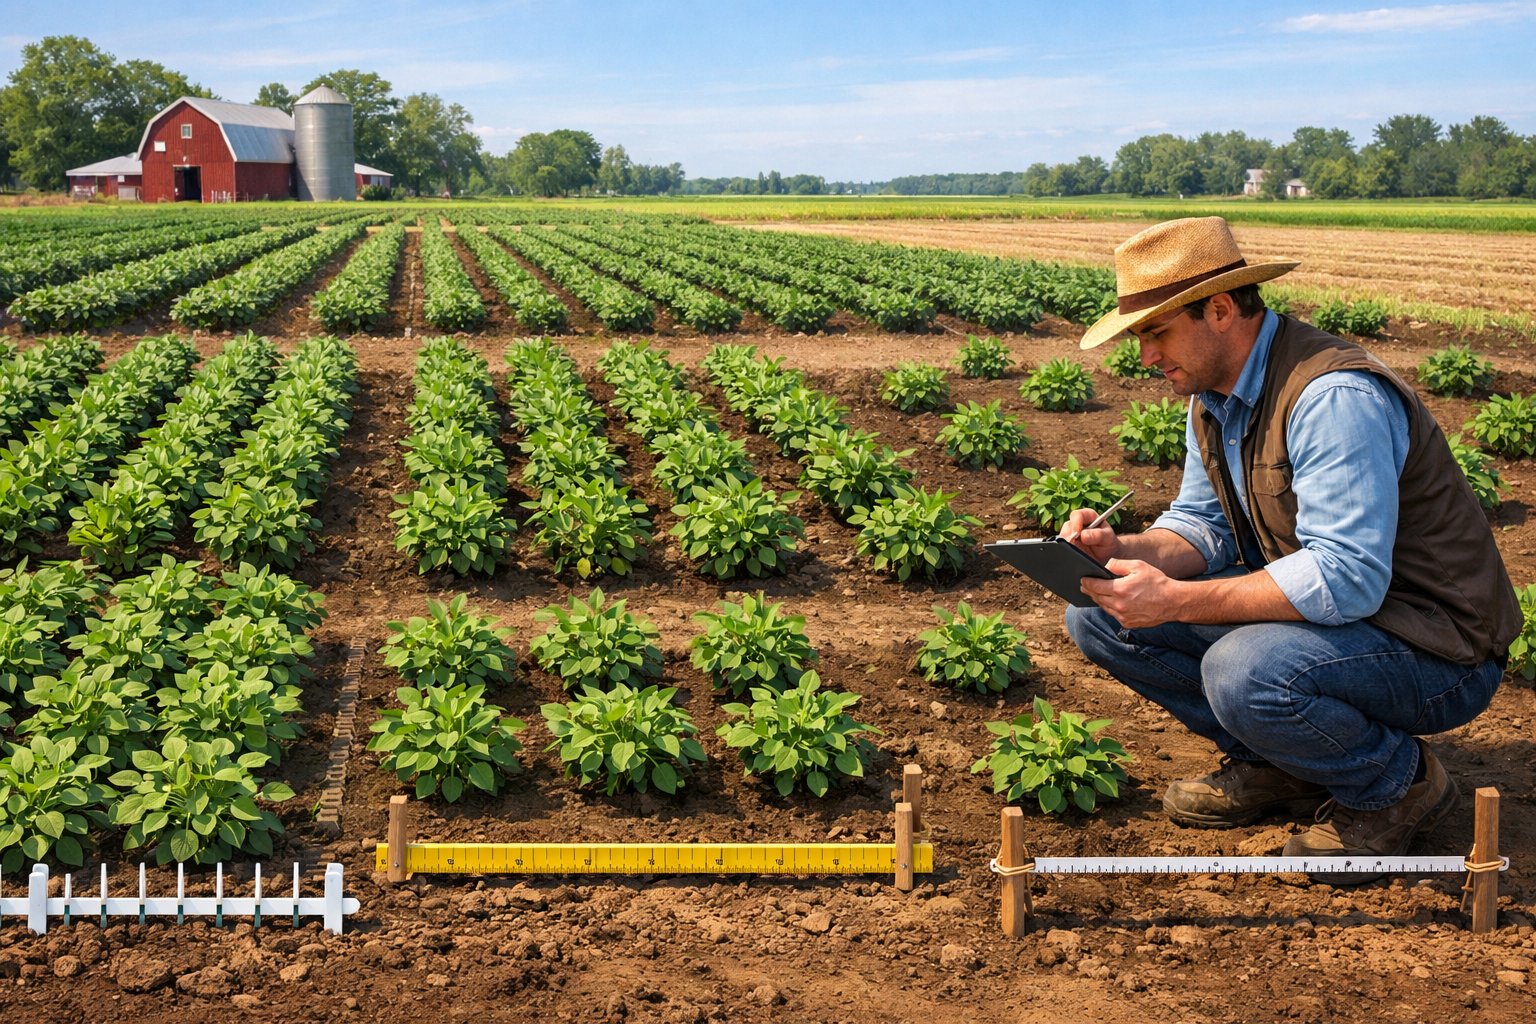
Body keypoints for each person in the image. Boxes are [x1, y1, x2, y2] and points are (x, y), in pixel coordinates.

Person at [1061, 216, 1518, 883]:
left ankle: (1396, 784)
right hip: (1351, 625)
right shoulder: (1213, 396)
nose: (1146, 358)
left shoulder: (1332, 397)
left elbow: (1347, 577)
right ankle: (1285, 764)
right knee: (1098, 614)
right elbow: (1202, 525)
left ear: (1220, 309)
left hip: (1437, 646)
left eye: (1155, 332)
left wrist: (1179, 601)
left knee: (1246, 670)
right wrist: (1122, 551)